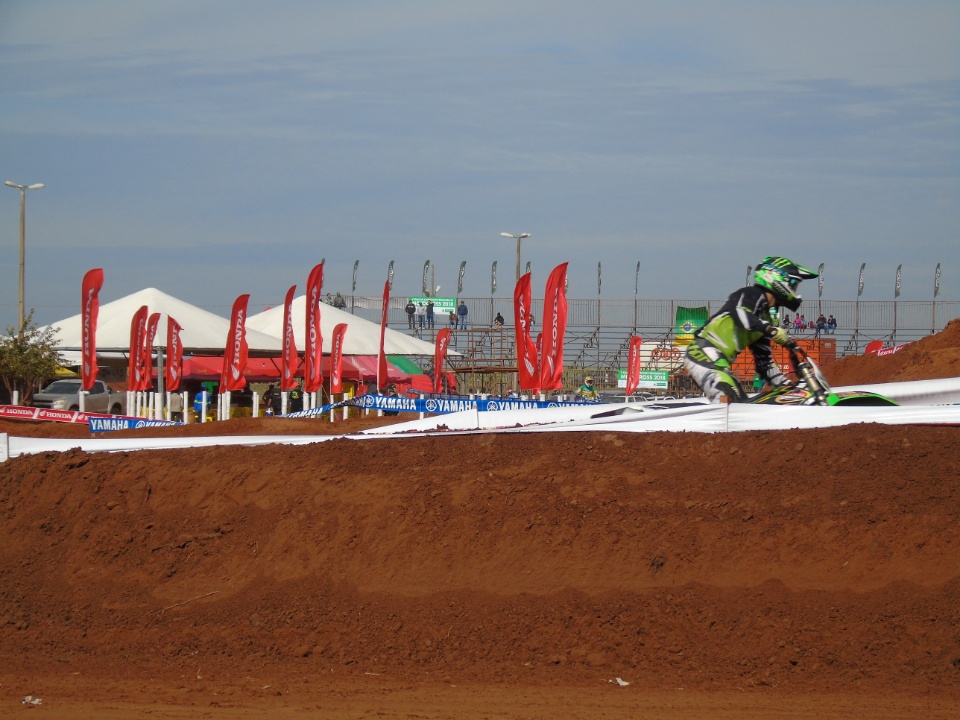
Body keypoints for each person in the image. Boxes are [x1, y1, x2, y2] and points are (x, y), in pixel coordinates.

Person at [683, 256, 818, 403]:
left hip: (717, 360)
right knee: (729, 399)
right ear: (776, 277)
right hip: (702, 353)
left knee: (742, 404)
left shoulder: (766, 318)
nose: (794, 290)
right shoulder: (751, 294)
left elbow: (764, 363)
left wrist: (787, 386)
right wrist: (771, 330)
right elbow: (740, 314)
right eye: (793, 284)